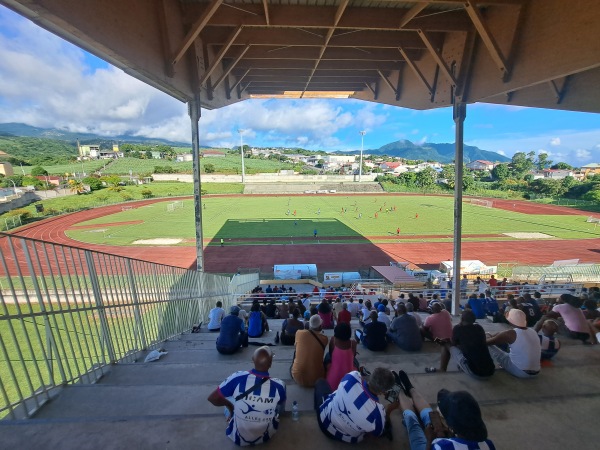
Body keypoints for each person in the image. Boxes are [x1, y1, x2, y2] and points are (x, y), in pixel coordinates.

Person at [207, 346, 286, 446]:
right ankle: (277, 416)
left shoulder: (237, 377)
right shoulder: (279, 385)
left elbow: (212, 398)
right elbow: (280, 403)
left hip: (237, 438)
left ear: (253, 359)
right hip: (266, 436)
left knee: (228, 397)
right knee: (279, 395)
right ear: (270, 364)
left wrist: (230, 407)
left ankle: (231, 416)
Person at [396, 372, 494, 450]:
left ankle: (400, 391)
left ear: (451, 425)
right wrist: (451, 435)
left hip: (433, 445)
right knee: (431, 418)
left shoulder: (442, 446)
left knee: (413, 425)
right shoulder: (489, 444)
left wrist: (430, 440)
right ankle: (410, 389)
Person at [315, 367, 397, 443]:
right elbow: (378, 433)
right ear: (383, 392)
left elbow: (360, 377)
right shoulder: (378, 413)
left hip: (324, 419)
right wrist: (389, 410)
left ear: (371, 376)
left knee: (320, 382)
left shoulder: (352, 377)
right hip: (346, 438)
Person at [428, 310, 495, 379]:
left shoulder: (458, 328)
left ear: (462, 319)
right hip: (490, 371)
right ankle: (461, 367)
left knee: (446, 344)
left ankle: (442, 369)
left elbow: (453, 344)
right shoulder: (479, 328)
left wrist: (440, 340)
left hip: (476, 373)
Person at [486, 309, 541, 378]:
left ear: (510, 321)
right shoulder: (532, 331)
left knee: (489, 346)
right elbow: (504, 333)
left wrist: (487, 335)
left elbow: (487, 342)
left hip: (521, 372)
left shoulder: (510, 334)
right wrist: (491, 335)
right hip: (536, 372)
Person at [291, 315, 329, 387]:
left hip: (297, 377)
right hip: (316, 379)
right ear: (320, 326)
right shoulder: (324, 339)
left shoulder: (299, 333)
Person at [325, 323, 358, 390]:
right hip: (349, 383)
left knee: (327, 355)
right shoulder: (353, 343)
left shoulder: (333, 340)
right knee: (356, 362)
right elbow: (353, 356)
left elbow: (331, 354)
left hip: (332, 382)